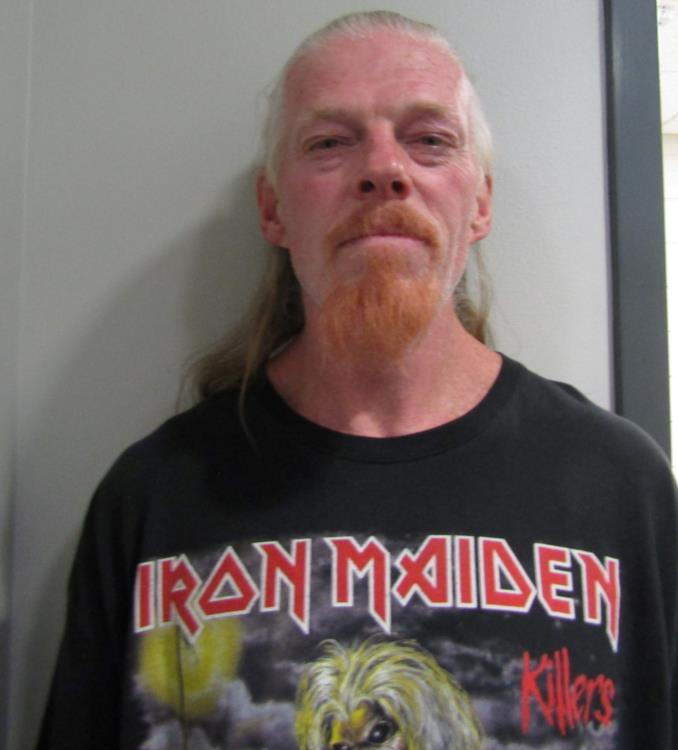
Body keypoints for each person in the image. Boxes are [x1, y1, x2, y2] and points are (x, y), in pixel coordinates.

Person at [38, 11, 676, 750]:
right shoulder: (153, 498)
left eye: (429, 139)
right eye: (330, 143)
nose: (383, 169)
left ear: (480, 204)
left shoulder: (619, 486)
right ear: (274, 210)